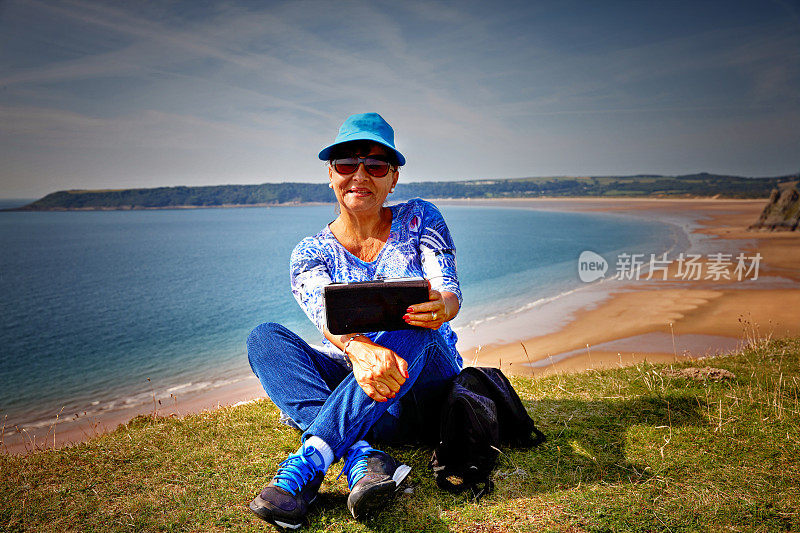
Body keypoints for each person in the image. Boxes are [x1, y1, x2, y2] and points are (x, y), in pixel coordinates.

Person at [246, 112, 463, 529]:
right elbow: (326, 319)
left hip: (423, 391)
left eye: (375, 165)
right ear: (331, 175)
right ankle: (362, 453)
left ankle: (313, 458)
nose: (359, 174)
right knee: (264, 339)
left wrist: (444, 307)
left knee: (416, 326)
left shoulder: (421, 218)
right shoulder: (310, 253)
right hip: (361, 384)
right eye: (347, 164)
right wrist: (359, 349)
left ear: (392, 178)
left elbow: (447, 287)